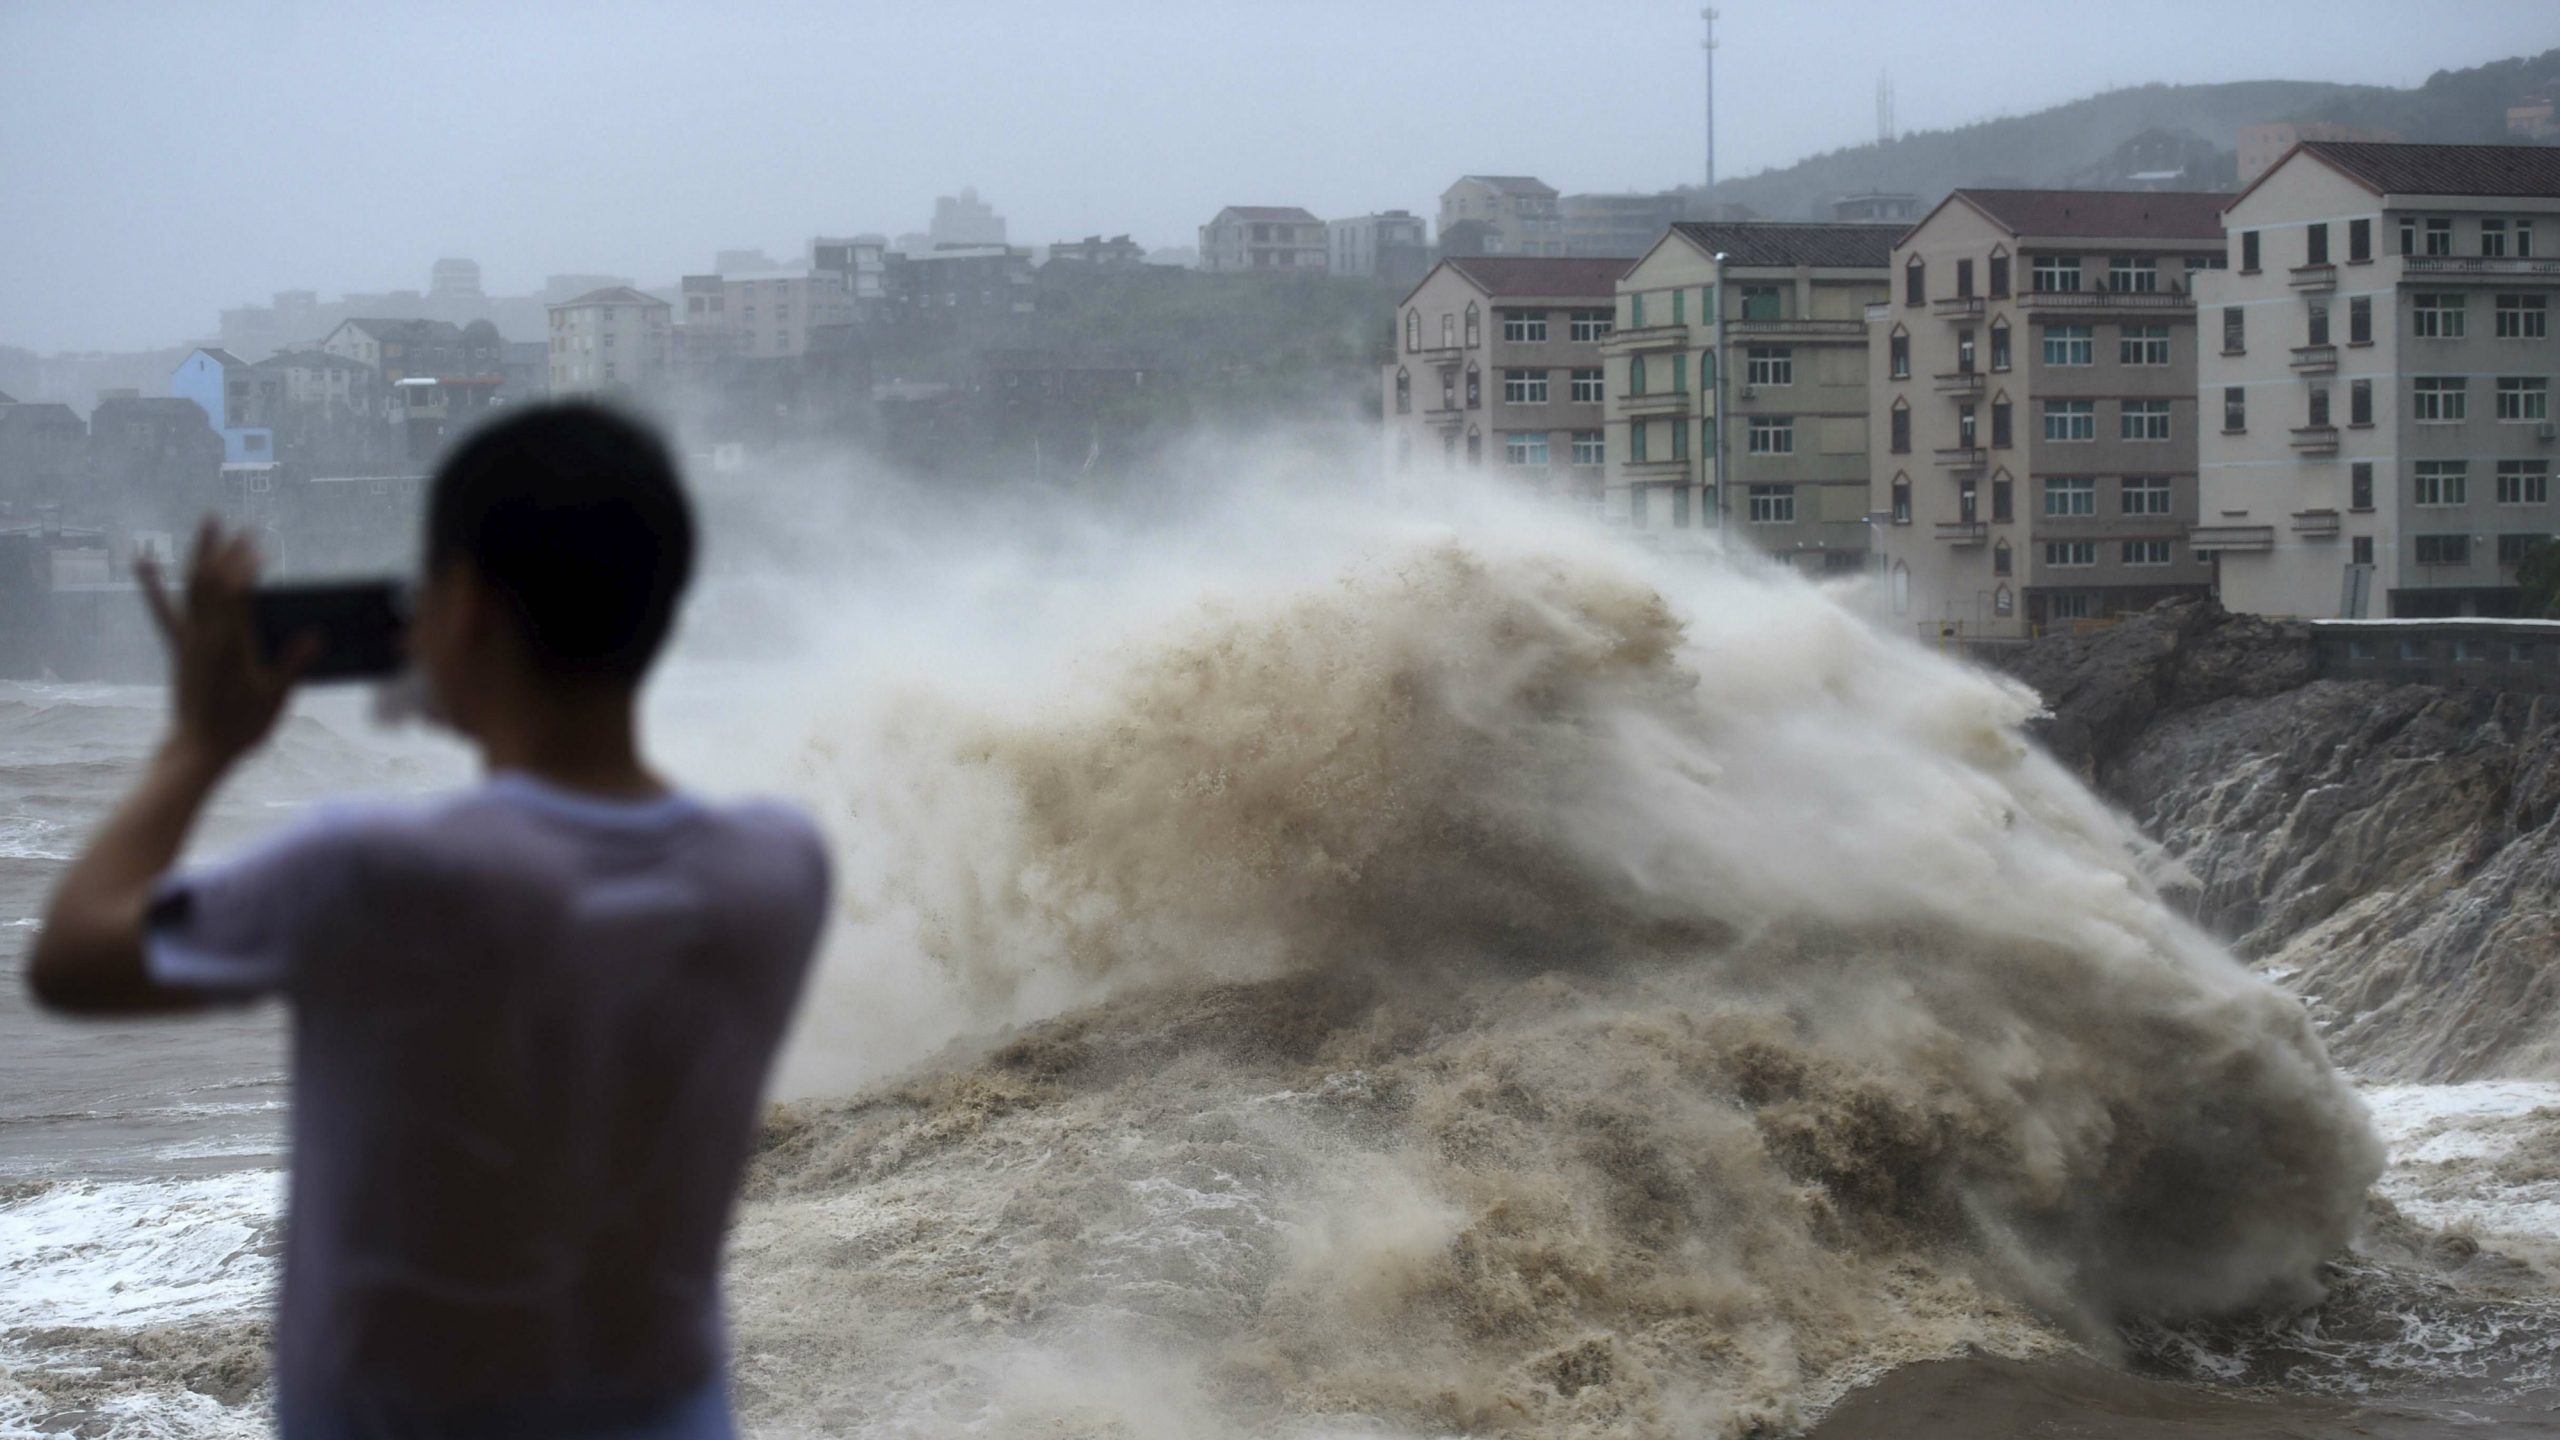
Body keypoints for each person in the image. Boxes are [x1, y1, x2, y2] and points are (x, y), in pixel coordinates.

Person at [25, 403, 831, 1439]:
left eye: (426, 593)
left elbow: (72, 956)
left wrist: (199, 745)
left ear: (468, 608)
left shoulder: (374, 874)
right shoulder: (777, 870)